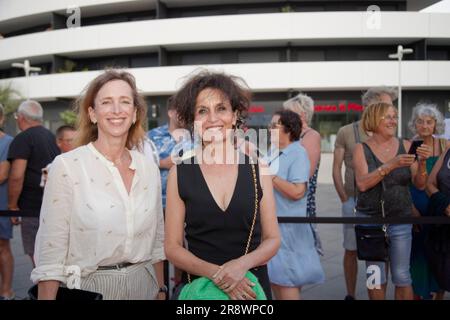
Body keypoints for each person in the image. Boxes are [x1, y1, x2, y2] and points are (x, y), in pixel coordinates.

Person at [31, 70, 166, 300]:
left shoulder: (148, 168)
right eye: (106, 102)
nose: (116, 110)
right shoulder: (67, 166)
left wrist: (161, 290)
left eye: (125, 102)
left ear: (134, 114)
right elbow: (50, 254)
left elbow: (157, 242)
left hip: (145, 286)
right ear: (93, 113)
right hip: (90, 288)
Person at [165, 71, 280, 300]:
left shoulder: (258, 169)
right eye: (202, 111)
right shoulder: (179, 172)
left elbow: (273, 239)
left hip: (251, 290)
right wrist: (220, 275)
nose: (212, 119)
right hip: (200, 292)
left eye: (221, 108)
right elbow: (172, 247)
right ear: (193, 121)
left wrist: (240, 267)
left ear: (235, 115)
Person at [353, 102, 432, 300]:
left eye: (394, 116)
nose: (393, 121)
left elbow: (420, 184)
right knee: (375, 277)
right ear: (374, 119)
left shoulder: (406, 145)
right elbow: (362, 184)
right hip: (370, 221)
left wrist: (422, 164)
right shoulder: (360, 149)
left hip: (400, 219)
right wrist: (390, 165)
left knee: (402, 276)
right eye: (387, 116)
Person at [332, 86, 396, 300]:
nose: (389, 112)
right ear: (370, 105)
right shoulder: (347, 132)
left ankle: (378, 294)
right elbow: (336, 167)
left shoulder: (389, 131)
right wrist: (344, 197)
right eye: (384, 106)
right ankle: (351, 294)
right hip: (354, 201)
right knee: (351, 249)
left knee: (378, 254)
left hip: (383, 204)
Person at [267, 110, 324, 300]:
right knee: (276, 282)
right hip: (273, 228)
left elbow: (298, 191)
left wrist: (270, 175)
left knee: (287, 283)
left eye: (275, 125)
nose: (270, 128)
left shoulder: (298, 153)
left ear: (288, 129)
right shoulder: (273, 151)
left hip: (289, 231)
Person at [7, 100, 60, 266]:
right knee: (52, 256)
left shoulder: (23, 138)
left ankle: (45, 292)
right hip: (53, 205)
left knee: (36, 257)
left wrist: (13, 206)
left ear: (21, 117)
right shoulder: (51, 136)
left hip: (31, 208)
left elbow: (16, 175)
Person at [407, 103, 450, 300]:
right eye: (420, 122)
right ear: (414, 124)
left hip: (439, 210)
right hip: (418, 209)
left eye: (429, 122)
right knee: (418, 259)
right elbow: (409, 183)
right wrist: (412, 209)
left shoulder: (445, 146)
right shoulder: (409, 146)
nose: (424, 126)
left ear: (436, 125)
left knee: (439, 257)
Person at [283, 93, 322, 255]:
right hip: (284, 199)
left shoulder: (311, 136)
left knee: (299, 253)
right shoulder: (289, 135)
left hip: (301, 202)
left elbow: (306, 173)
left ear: (302, 115)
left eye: (287, 113)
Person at [0, 104, 14, 300]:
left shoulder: (9, 143)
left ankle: (7, 290)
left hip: (1, 205)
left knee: (2, 247)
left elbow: (2, 175)